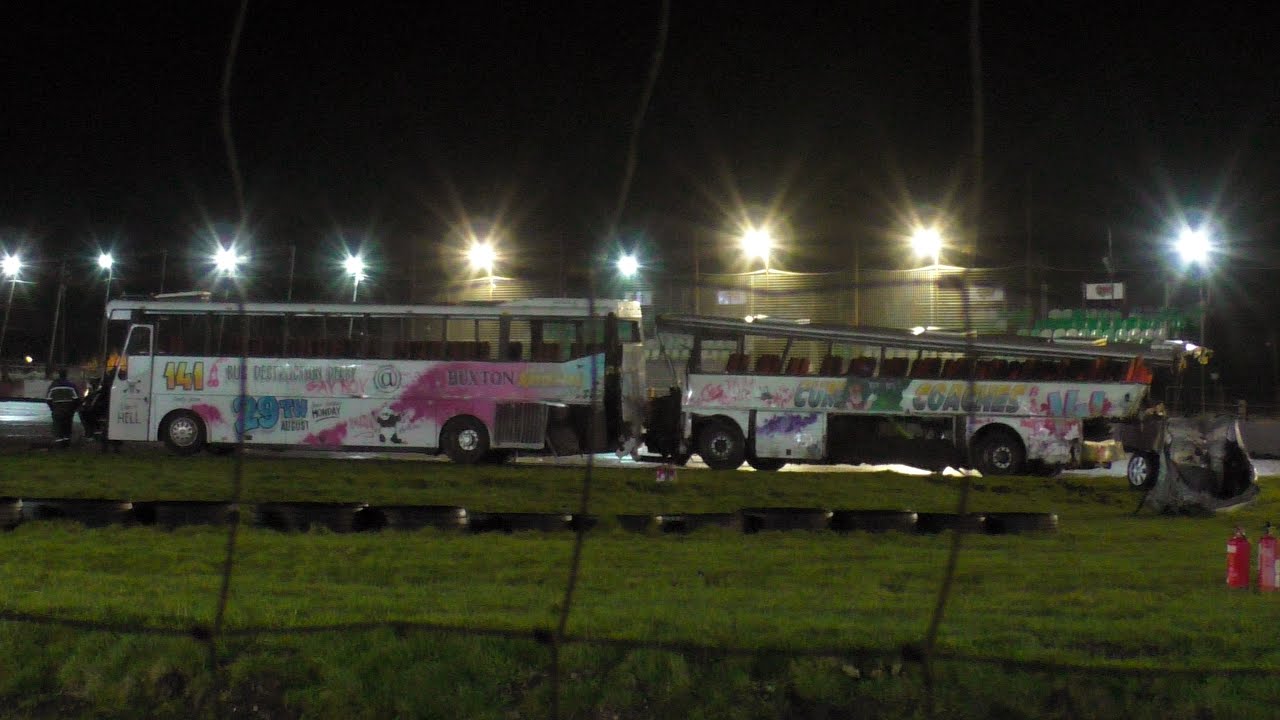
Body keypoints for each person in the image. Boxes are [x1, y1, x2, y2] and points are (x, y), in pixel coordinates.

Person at [45, 368, 82, 450]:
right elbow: (76, 399)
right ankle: (66, 444)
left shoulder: (53, 386)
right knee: (67, 427)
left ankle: (59, 445)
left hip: (57, 410)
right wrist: (73, 409)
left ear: (58, 375)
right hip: (68, 410)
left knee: (58, 427)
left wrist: (53, 408)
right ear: (66, 375)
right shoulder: (71, 385)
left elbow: (48, 399)